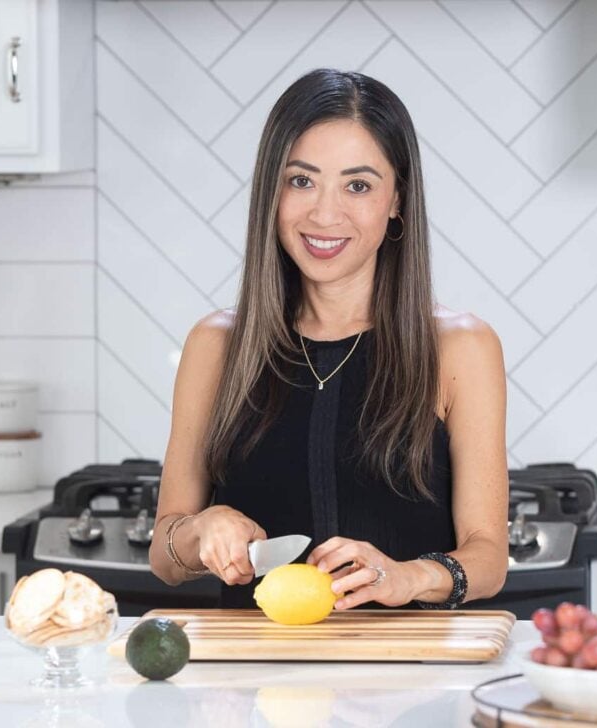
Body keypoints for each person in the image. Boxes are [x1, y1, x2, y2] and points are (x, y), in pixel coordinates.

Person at [150, 68, 508, 611]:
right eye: (301, 180)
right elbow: (164, 554)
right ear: (272, 191)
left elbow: (488, 557)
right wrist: (201, 529)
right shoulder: (216, 346)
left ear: (397, 201)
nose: (324, 213)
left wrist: (409, 576)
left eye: (358, 185)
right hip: (250, 683)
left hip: (409, 678)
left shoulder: (460, 347)